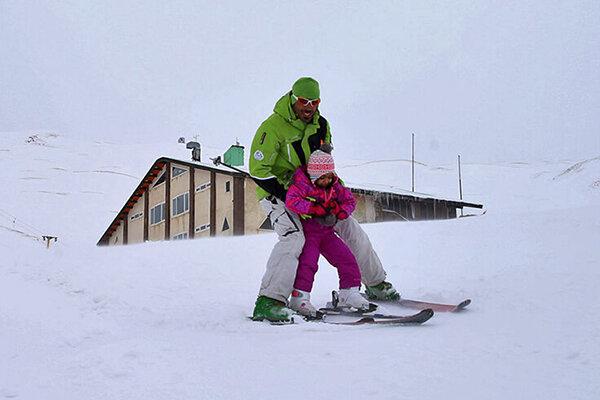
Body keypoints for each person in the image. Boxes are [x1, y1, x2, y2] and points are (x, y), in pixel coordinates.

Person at [249, 77, 399, 322]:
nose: (308, 106)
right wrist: (291, 197)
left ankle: (376, 284)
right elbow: (258, 170)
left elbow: (325, 161)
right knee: (294, 238)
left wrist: (335, 193)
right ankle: (269, 301)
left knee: (352, 229)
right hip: (280, 192)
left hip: (318, 191)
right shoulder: (272, 127)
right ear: (293, 99)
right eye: (303, 101)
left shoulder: (322, 125)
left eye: (314, 101)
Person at [286, 147, 371, 317]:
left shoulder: (335, 186)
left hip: (327, 233)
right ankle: (299, 298)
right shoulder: (303, 185)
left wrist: (340, 211)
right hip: (310, 234)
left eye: (329, 176)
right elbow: (291, 201)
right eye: (322, 178)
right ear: (313, 176)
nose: (326, 181)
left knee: (347, 258)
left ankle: (349, 293)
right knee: (308, 264)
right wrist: (313, 208)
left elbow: (349, 201)